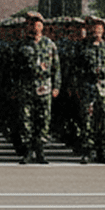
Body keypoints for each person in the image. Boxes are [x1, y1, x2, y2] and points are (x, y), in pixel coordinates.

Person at [13, 11, 60, 165]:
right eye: (31, 24)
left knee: (43, 120)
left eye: (37, 23)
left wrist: (56, 86)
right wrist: (14, 87)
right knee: (25, 120)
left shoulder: (50, 45)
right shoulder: (20, 45)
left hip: (44, 87)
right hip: (26, 87)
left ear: (42, 26)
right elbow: (13, 69)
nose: (34, 26)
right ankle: (27, 152)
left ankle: (40, 151)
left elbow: (56, 68)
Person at [70, 16, 105, 164]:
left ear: (103, 31)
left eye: (99, 30)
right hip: (88, 86)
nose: (96, 33)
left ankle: (102, 151)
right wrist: (76, 86)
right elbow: (75, 69)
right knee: (87, 120)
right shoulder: (82, 47)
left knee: (104, 120)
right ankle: (87, 151)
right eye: (94, 30)